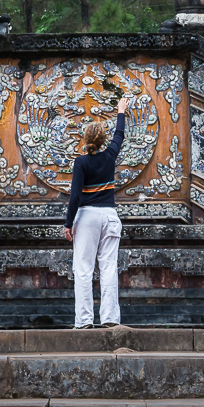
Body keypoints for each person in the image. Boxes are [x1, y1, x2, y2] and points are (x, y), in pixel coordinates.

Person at [64, 96, 128, 329]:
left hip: (88, 217)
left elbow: (75, 196)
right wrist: (121, 111)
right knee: (109, 268)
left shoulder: (81, 162)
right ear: (102, 141)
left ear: (85, 140)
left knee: (84, 269)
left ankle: (84, 321)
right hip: (110, 216)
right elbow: (119, 135)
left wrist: (68, 223)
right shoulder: (110, 156)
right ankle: (110, 318)